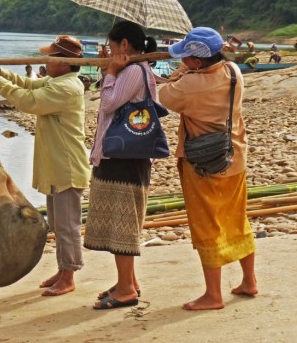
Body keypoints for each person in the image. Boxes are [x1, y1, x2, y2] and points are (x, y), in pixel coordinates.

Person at [0, 35, 90, 297]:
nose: (45, 60)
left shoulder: (67, 88)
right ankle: (63, 269)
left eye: (51, 57)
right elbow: (29, 84)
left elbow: (29, 101)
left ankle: (69, 275)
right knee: (57, 223)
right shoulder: (57, 81)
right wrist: (1, 72)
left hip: (66, 166)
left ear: (64, 63)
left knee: (67, 226)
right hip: (55, 166)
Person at [159, 27, 257, 311]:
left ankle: (213, 295)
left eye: (187, 58)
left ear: (198, 61)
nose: (183, 62)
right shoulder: (233, 71)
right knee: (237, 217)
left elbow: (164, 96)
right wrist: (187, 71)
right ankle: (248, 280)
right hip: (235, 155)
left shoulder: (191, 84)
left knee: (207, 225)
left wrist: (181, 73)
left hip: (205, 163)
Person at [84, 21, 159, 310]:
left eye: (113, 46)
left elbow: (108, 104)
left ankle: (127, 289)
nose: (111, 51)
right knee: (119, 222)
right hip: (122, 157)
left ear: (124, 46)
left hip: (124, 159)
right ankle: (129, 281)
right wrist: (109, 71)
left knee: (122, 224)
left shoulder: (132, 71)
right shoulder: (136, 71)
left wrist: (112, 72)